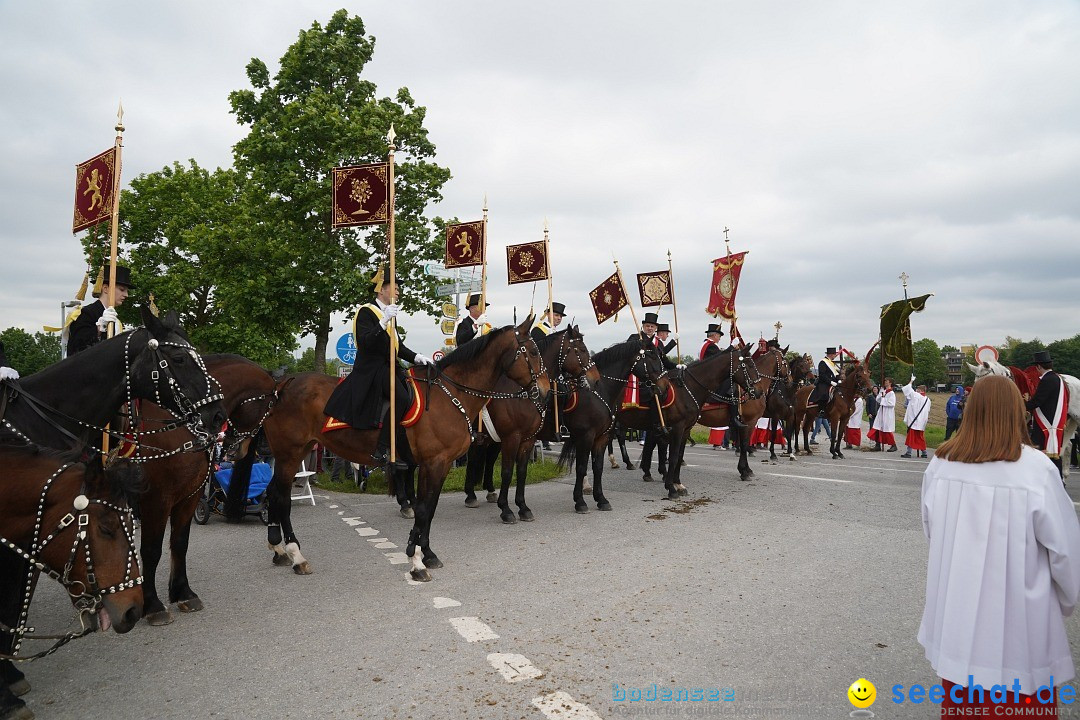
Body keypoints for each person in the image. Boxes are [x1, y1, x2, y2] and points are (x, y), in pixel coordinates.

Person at [918, 375, 1080, 715]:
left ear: (971, 411)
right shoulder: (1035, 470)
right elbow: (1065, 551)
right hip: (1021, 618)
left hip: (959, 614)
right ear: (1015, 412)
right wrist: (1065, 601)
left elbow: (933, 529)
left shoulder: (941, 464)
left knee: (964, 700)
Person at [323, 267, 432, 469]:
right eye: (395, 287)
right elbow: (365, 342)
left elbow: (398, 348)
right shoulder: (366, 311)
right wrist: (382, 322)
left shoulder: (390, 314)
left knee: (414, 392)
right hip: (373, 369)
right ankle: (382, 448)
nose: (399, 292)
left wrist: (417, 357)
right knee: (401, 397)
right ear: (382, 289)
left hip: (390, 367)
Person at [67, 264, 133, 355]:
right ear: (106, 288)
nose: (126, 295)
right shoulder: (86, 313)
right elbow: (77, 345)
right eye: (122, 290)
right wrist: (99, 328)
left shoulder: (117, 322)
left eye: (126, 291)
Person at [1024, 350, 1069, 479]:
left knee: (1040, 452)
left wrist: (1021, 405)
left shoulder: (1047, 380)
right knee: (1052, 455)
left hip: (1047, 423)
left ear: (1038, 366)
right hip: (1052, 420)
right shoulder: (1056, 378)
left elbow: (1038, 401)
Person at [900, 376, 932, 459]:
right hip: (921, 422)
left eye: (917, 389)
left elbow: (907, 388)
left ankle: (909, 452)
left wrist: (911, 380)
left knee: (911, 437)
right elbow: (927, 411)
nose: (916, 391)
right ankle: (924, 452)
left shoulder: (915, 396)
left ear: (920, 390)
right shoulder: (928, 399)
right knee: (920, 437)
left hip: (914, 421)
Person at [868, 378, 898, 451]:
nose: (885, 382)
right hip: (881, 412)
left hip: (887, 413)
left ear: (890, 383)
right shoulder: (884, 391)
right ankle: (878, 445)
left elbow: (891, 404)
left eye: (886, 381)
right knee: (877, 428)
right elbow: (878, 400)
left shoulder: (891, 393)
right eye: (884, 381)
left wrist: (884, 399)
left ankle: (893, 445)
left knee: (887, 429)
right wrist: (881, 394)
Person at [808, 347, 840, 415]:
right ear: (831, 354)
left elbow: (835, 374)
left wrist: (839, 380)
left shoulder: (832, 363)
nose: (835, 356)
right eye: (834, 354)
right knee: (824, 394)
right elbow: (822, 375)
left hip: (834, 383)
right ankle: (821, 409)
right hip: (824, 383)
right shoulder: (823, 362)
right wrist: (831, 382)